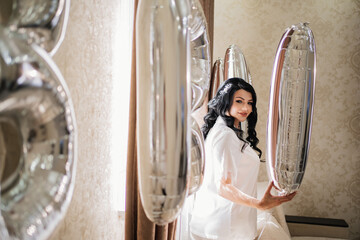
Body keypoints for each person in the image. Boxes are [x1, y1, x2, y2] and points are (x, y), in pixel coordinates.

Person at [189, 78, 296, 240]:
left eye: (250, 103)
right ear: (226, 101)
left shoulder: (224, 131)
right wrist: (259, 204)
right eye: (239, 101)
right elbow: (223, 186)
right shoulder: (225, 136)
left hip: (227, 222)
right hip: (226, 226)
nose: (246, 108)